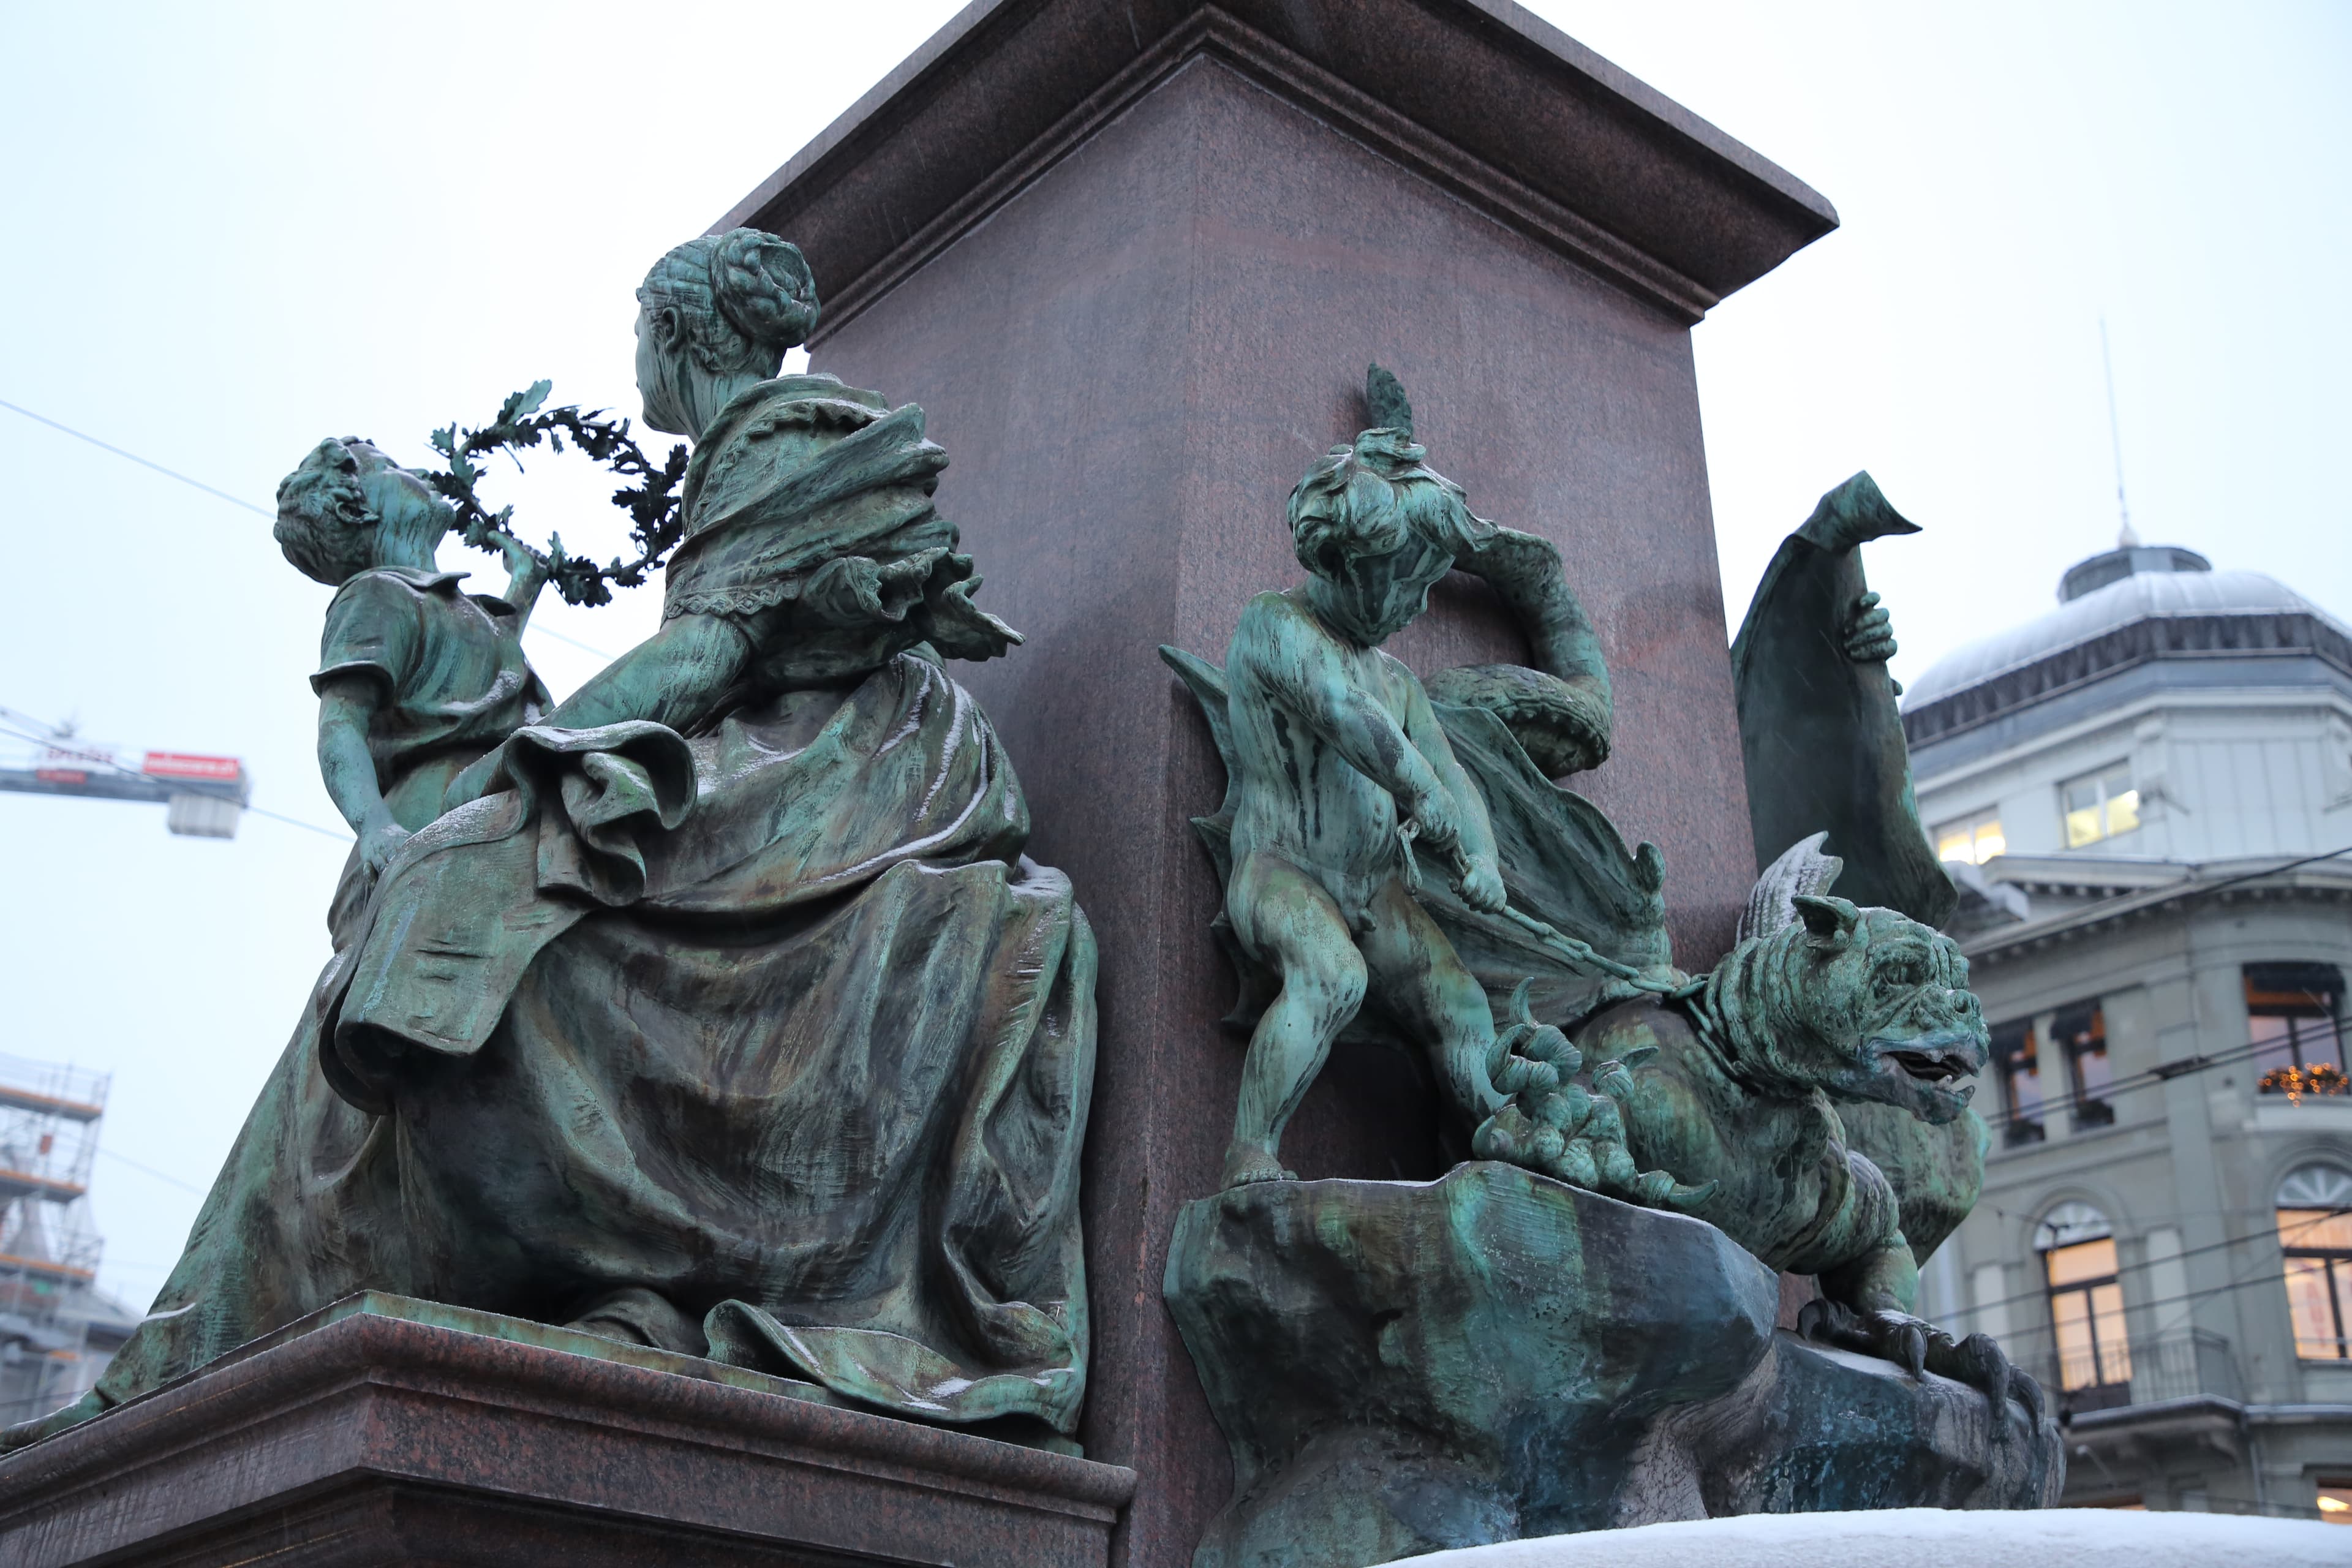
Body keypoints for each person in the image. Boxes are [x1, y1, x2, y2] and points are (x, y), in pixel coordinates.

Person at [5, 229, 1097, 1454]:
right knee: (460, 893)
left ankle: (225, 1333)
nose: (633, 356)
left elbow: (703, 657)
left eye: (638, 330)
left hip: (854, 773)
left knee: (495, 878)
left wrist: (507, 767)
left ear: (674, 334)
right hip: (815, 756)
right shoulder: (754, 449)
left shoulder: (777, 442)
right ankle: (207, 1341)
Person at [1215, 427, 1515, 1189]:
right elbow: (1347, 717)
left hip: (1376, 890)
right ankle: (1251, 1151)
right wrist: (1422, 795)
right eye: (1407, 583)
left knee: (1461, 1003)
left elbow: (1452, 774)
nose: (1419, 605)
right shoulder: (1275, 626)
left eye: (1429, 584)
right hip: (1283, 871)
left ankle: (1508, 1139)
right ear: (1347, 562)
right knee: (1333, 973)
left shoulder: (1399, 681)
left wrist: (1480, 854)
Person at [274, 437, 550, 942]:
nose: (419, 473)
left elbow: (487, 677)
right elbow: (340, 724)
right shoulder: (376, 594)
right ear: (353, 508)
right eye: (391, 467)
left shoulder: (452, 605)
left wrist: (523, 589)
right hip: (431, 822)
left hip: (502, 796)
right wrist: (374, 826)